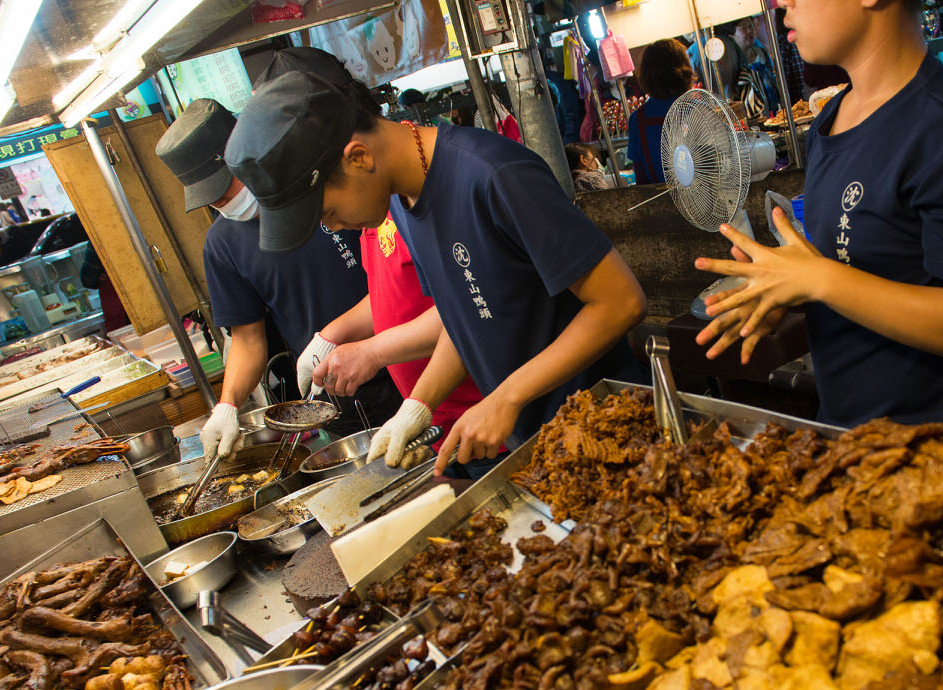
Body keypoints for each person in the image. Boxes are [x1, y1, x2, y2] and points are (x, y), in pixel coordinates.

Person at [223, 69, 646, 477]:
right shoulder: (401, 203)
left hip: (610, 426)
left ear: (359, 157)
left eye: (329, 212)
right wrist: (419, 406)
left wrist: (506, 397)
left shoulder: (492, 174)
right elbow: (464, 318)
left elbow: (621, 302)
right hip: (543, 444)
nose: (332, 228)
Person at [692, 0, 943, 439]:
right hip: (848, 441)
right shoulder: (830, 123)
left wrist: (817, 279)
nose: (782, 5)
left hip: (940, 455)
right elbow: (859, 272)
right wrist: (783, 290)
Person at [155, 96, 403, 458]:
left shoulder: (327, 185)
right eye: (214, 199)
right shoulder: (223, 244)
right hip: (342, 395)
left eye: (228, 187)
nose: (225, 203)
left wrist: (335, 336)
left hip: (411, 352)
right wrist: (227, 405)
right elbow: (246, 339)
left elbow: (399, 281)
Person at [314, 212, 485, 441]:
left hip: (479, 410)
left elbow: (463, 307)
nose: (335, 226)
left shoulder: (411, 211)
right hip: (430, 417)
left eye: (331, 211)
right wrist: (329, 337)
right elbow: (387, 294)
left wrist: (372, 353)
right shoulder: (372, 214)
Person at [626, 39, 696, 184]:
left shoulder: (637, 119)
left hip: (659, 203)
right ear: (683, 70)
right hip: (704, 201)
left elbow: (641, 179)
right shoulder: (697, 109)